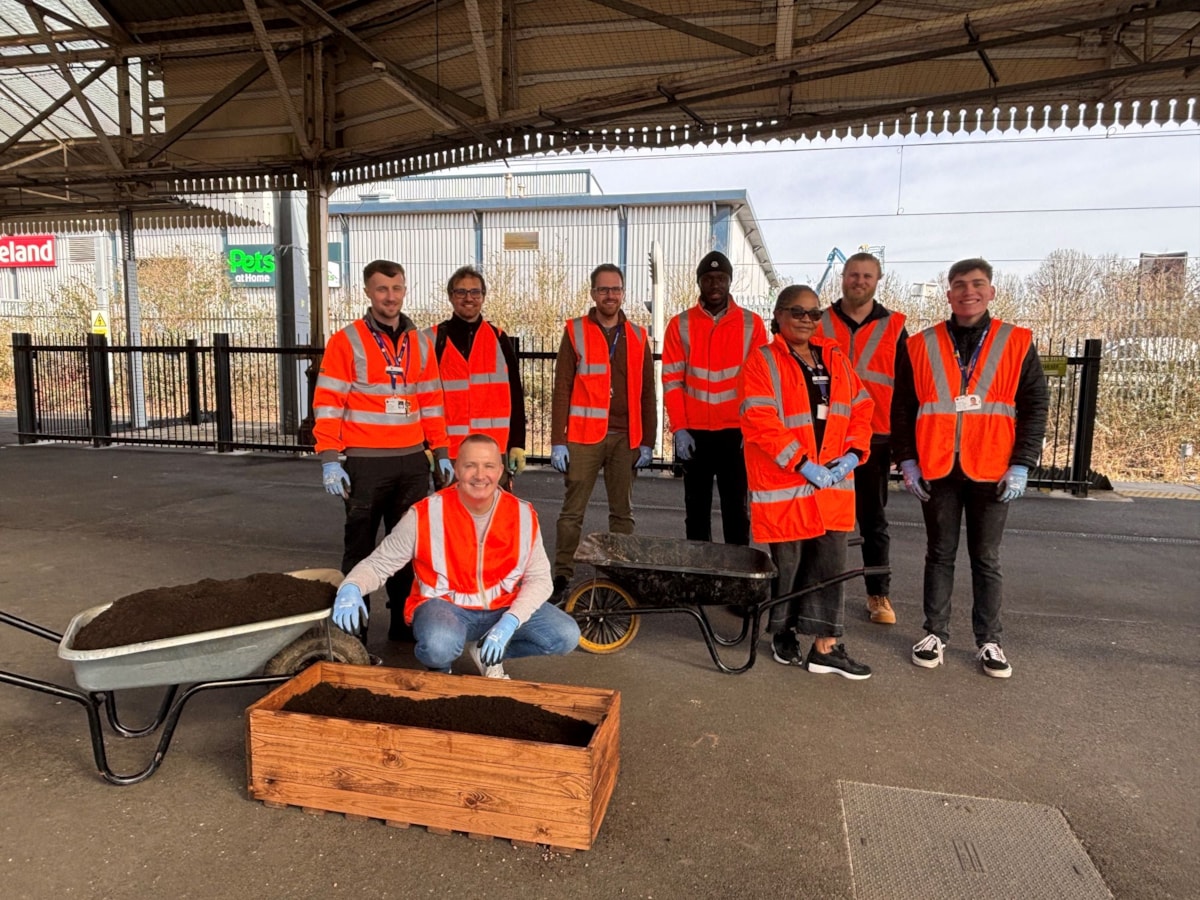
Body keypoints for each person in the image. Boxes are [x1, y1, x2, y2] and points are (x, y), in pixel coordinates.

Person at [892, 258, 1048, 678]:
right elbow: (903, 407)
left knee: (986, 557)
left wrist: (1022, 464)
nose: (968, 292)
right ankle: (935, 633)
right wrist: (906, 459)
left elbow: (1035, 407)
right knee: (939, 554)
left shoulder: (1015, 342)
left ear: (991, 291)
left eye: (977, 284)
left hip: (993, 469)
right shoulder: (920, 344)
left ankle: (989, 641)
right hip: (937, 467)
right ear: (948, 294)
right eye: (959, 285)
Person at [331, 434, 580, 677]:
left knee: (565, 635)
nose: (480, 475)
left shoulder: (521, 514)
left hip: (501, 609)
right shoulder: (425, 514)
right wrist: (351, 587)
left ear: (500, 470)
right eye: (470, 466)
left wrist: (509, 623)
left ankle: (488, 651)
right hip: (446, 608)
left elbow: (540, 579)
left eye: (488, 466)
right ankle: (441, 669)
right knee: (439, 645)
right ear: (457, 469)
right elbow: (379, 564)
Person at [313, 259, 453, 642]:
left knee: (407, 548)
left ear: (404, 290)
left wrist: (441, 450)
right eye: (381, 289)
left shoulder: (420, 342)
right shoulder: (347, 340)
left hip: (410, 461)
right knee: (359, 547)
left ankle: (402, 625)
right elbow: (328, 403)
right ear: (367, 292)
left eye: (396, 289)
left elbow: (431, 401)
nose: (390, 297)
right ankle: (351, 628)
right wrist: (329, 458)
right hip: (364, 463)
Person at [739, 285, 875, 679]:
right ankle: (782, 632)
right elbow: (759, 418)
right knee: (790, 566)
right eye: (797, 312)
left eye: (814, 314)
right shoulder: (762, 362)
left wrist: (853, 453)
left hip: (832, 486)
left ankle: (825, 647)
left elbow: (861, 408)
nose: (806, 319)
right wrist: (801, 463)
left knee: (829, 566)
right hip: (787, 486)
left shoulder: (834, 358)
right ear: (779, 316)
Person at [549, 264, 657, 598]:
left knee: (622, 514)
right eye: (603, 289)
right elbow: (562, 388)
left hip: (626, 438)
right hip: (583, 438)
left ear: (623, 293)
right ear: (593, 293)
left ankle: (620, 574)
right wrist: (558, 440)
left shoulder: (638, 336)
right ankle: (562, 576)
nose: (610, 295)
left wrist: (649, 441)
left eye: (616, 289)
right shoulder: (576, 331)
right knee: (571, 513)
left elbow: (647, 394)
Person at [816, 252, 908, 625]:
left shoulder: (895, 327)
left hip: (875, 435)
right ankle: (817, 588)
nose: (859, 281)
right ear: (843, 277)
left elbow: (904, 390)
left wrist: (904, 446)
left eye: (867, 275)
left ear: (878, 279)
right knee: (820, 520)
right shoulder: (818, 320)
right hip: (825, 436)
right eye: (853, 274)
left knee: (873, 520)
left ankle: (877, 594)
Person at [662, 250, 767, 545]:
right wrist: (679, 428)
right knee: (696, 510)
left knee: (737, 509)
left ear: (730, 281)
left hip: (736, 433)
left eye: (721, 278)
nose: (715, 284)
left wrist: (753, 427)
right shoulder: (679, 324)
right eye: (708, 279)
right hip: (695, 433)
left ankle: (736, 575)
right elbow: (672, 381)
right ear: (699, 283)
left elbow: (760, 384)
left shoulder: (752, 325)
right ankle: (700, 574)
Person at [424, 265, 527, 483]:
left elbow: (516, 394)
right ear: (451, 297)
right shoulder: (432, 341)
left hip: (493, 451)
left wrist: (517, 443)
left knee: (493, 515)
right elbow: (419, 398)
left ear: (483, 296)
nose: (468, 298)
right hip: (448, 452)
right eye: (461, 292)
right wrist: (425, 445)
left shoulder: (499, 339)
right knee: (449, 515)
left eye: (475, 292)